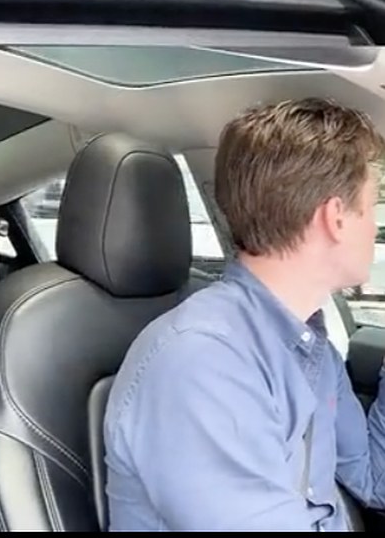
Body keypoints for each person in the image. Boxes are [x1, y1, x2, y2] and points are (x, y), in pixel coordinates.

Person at [103, 98, 385, 531]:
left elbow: (372, 479)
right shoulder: (201, 362)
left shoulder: (312, 348)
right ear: (336, 219)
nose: (375, 227)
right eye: (372, 207)